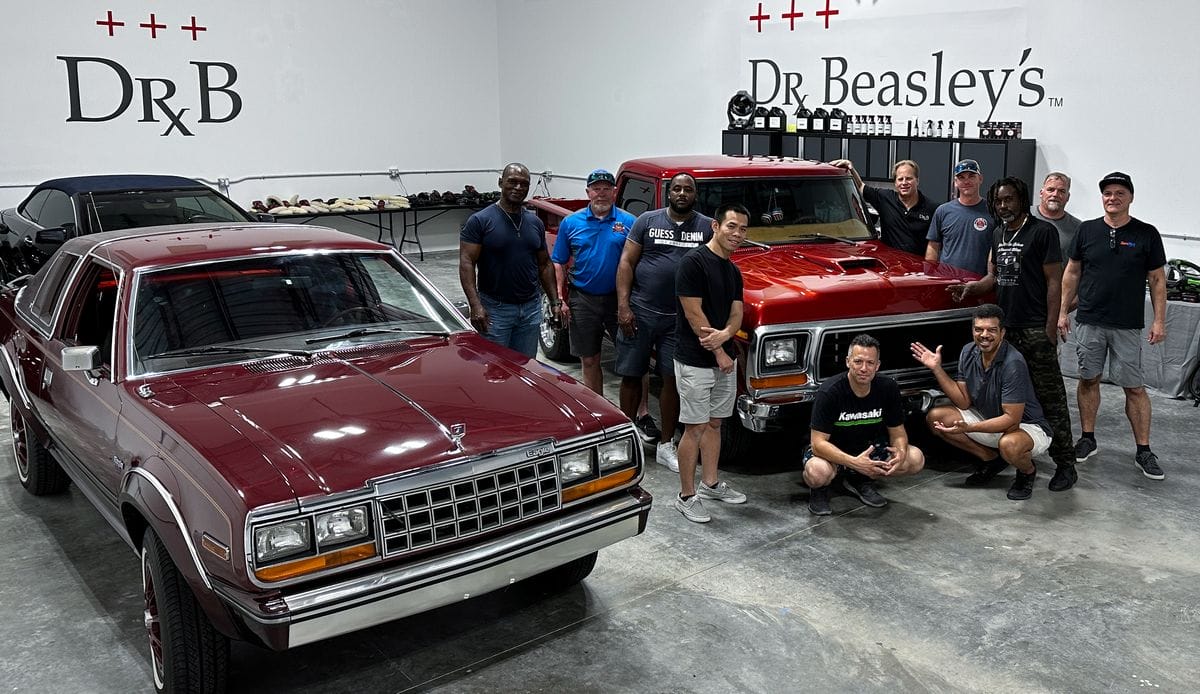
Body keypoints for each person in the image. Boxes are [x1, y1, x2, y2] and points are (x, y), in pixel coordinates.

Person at [950, 177, 1077, 492]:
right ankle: (1009, 452)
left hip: (1035, 328)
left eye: (1009, 199)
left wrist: (1050, 328)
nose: (1003, 205)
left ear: (1022, 199)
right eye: (998, 201)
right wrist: (971, 288)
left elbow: (1054, 281)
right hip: (1006, 330)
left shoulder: (1042, 232)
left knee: (1050, 397)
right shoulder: (998, 233)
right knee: (1006, 396)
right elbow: (993, 277)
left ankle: (1066, 464)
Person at [1058, 172, 1168, 480]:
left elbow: (1157, 280)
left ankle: (1143, 450)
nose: (1113, 198)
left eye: (1120, 193)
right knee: (1088, 379)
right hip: (1090, 320)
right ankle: (1087, 438)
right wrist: (1062, 312)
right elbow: (1072, 273)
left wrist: (1159, 320)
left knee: (1134, 388)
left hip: (1127, 325)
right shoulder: (1087, 231)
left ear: (1130, 198)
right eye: (1108, 193)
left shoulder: (1146, 233)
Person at [615, 173, 713, 472]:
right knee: (632, 375)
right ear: (668, 193)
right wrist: (623, 306)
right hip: (641, 312)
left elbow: (715, 268)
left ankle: (666, 444)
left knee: (672, 380)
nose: (682, 193)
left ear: (695, 195)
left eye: (688, 189)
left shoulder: (707, 227)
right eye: (677, 189)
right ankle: (626, 440)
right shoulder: (647, 221)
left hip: (680, 320)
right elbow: (626, 262)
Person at [912, 304, 1053, 501]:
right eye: (979, 329)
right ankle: (991, 459)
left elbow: (1011, 421)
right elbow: (963, 401)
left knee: (1009, 444)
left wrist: (969, 427)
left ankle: (1027, 472)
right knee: (937, 417)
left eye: (991, 330)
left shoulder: (1013, 363)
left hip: (1025, 427)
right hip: (990, 419)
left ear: (1002, 333)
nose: (984, 335)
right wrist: (937, 368)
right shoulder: (968, 351)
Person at [671, 203, 750, 523]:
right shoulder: (693, 263)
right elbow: (694, 315)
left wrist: (727, 335)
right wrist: (719, 352)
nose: (737, 234)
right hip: (696, 361)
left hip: (724, 361)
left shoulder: (732, 270)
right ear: (716, 226)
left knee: (715, 423)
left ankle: (710, 484)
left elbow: (737, 313)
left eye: (743, 229)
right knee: (695, 427)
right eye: (732, 226)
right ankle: (686, 496)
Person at [803, 334, 926, 516]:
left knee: (915, 458)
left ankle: (861, 479)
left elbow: (898, 433)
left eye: (870, 363)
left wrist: (899, 453)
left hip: (869, 448)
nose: (864, 368)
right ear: (848, 362)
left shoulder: (888, 387)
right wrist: (854, 463)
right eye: (858, 361)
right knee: (817, 472)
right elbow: (818, 444)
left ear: (877, 365)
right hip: (833, 452)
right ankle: (820, 490)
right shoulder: (830, 391)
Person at [459, 163, 559, 358]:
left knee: (525, 366)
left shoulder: (535, 223)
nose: (518, 187)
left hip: (530, 309)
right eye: (512, 182)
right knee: (494, 366)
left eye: (524, 184)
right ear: (500, 182)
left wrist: (555, 301)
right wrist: (475, 305)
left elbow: (545, 264)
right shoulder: (480, 221)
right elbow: (467, 263)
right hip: (495, 310)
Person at [550, 169, 636, 395]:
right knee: (589, 359)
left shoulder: (629, 222)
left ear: (614, 192)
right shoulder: (571, 223)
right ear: (588, 192)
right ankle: (597, 408)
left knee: (634, 359)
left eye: (606, 189)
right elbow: (558, 262)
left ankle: (641, 410)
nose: (601, 193)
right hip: (583, 300)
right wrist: (560, 299)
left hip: (620, 300)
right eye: (596, 189)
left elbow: (639, 262)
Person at [829, 158, 937, 257]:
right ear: (895, 183)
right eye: (900, 179)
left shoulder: (932, 208)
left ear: (917, 180)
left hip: (917, 267)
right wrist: (851, 168)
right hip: (890, 264)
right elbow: (861, 187)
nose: (904, 183)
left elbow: (934, 244)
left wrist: (928, 267)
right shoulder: (885, 198)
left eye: (909, 178)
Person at [925, 159, 993, 276]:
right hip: (947, 281)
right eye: (961, 178)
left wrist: (990, 279)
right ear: (955, 182)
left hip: (980, 282)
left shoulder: (993, 211)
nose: (966, 181)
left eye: (971, 176)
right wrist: (929, 275)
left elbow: (997, 249)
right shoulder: (943, 211)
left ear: (980, 179)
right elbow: (933, 246)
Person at [1031, 172, 1082, 262]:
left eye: (1062, 191)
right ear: (1041, 193)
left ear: (1068, 197)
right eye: (1050, 190)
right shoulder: (1022, 216)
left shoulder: (1078, 228)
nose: (1055, 194)